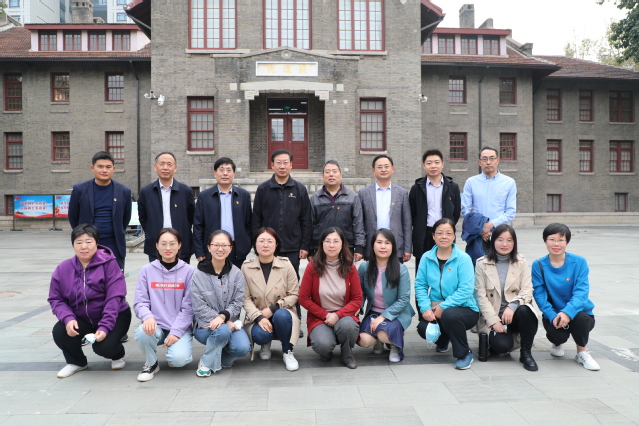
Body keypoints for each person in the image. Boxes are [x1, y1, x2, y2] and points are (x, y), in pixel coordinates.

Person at [48, 224, 131, 378]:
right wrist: (68, 318)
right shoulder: (63, 268)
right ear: (73, 244)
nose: (83, 246)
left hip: (115, 315)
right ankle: (77, 362)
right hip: (82, 317)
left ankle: (118, 354)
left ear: (96, 243)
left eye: (88, 241)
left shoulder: (110, 264)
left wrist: (105, 326)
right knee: (60, 332)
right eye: (78, 242)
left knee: (103, 348)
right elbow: (56, 298)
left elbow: (114, 297)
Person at [253, 149, 312, 336]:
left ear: (291, 165)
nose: (282, 166)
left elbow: (306, 220)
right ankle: (266, 323)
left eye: (286, 162)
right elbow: (256, 219)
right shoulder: (263, 189)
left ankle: (295, 323)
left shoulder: (299, 189)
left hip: (292, 247)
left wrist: (304, 246)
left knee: (292, 286)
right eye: (278, 162)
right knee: (266, 286)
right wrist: (258, 246)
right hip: (268, 249)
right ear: (272, 165)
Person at [532, 223, 600, 371]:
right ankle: (557, 343)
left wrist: (567, 313)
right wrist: (552, 316)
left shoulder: (579, 262)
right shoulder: (538, 265)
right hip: (554, 313)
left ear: (567, 242)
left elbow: (581, 292)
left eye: (561, 240)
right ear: (545, 241)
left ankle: (582, 352)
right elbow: (539, 295)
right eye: (552, 239)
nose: (556, 244)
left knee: (581, 318)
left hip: (579, 312)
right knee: (557, 336)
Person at [415, 218, 479, 370]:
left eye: (448, 233)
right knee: (423, 328)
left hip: (465, 309)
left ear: (454, 236)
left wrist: (443, 306)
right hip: (436, 308)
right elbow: (420, 285)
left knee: (450, 315)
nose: (444, 236)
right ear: (433, 236)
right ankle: (444, 340)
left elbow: (466, 290)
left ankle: (464, 353)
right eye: (440, 233)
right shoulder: (426, 257)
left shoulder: (463, 258)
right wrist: (425, 308)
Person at [133, 228, 195, 382]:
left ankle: (174, 350)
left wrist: (176, 332)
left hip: (180, 327)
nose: (168, 248)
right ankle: (151, 363)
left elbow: (189, 308)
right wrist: (147, 317)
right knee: (141, 332)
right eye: (163, 244)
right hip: (156, 326)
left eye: (172, 244)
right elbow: (140, 302)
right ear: (157, 245)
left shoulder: (189, 271)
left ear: (179, 245)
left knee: (179, 360)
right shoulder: (147, 270)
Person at [474, 224, 538, 371]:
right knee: (501, 347)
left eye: (509, 240)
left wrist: (512, 306)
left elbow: (527, 290)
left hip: (515, 313)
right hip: (495, 315)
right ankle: (497, 338)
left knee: (526, 310)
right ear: (493, 241)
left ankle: (526, 353)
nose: (505, 244)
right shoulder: (482, 263)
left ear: (514, 243)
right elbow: (480, 296)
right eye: (500, 240)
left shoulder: (521, 261)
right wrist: (493, 320)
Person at [299, 227, 362, 369]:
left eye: (335, 241)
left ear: (342, 244)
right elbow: (303, 298)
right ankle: (326, 351)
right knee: (323, 344)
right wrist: (326, 315)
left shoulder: (350, 267)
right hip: (319, 316)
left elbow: (357, 299)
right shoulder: (312, 267)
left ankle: (347, 353)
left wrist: (337, 315)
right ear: (322, 244)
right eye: (327, 241)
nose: (331, 245)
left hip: (344, 315)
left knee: (348, 326)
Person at [190, 230, 251, 376]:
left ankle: (219, 357)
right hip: (205, 326)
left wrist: (223, 317)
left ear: (230, 248)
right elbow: (199, 307)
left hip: (230, 323)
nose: (220, 249)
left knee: (242, 348)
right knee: (223, 330)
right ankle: (206, 362)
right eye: (216, 245)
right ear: (209, 247)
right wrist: (222, 321)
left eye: (224, 245)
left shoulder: (237, 273)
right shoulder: (198, 275)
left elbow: (238, 302)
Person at [242, 227, 300, 371]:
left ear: (276, 244)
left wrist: (274, 308)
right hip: (258, 315)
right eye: (261, 241)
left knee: (281, 316)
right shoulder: (247, 267)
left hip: (283, 311)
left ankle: (287, 351)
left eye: (270, 241)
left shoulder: (286, 265)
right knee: (261, 335)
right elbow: (245, 298)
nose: (265, 245)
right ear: (255, 244)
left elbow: (294, 294)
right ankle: (265, 344)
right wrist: (259, 317)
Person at [357, 229, 415, 362]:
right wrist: (356, 307)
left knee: (384, 334)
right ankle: (379, 340)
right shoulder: (364, 267)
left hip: (396, 313)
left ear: (392, 247)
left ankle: (394, 346)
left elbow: (403, 299)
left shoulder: (401, 269)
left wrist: (382, 317)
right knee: (363, 340)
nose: (383, 246)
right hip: (373, 312)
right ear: (373, 245)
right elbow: (361, 294)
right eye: (379, 242)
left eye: (387, 243)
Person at [68, 151, 132, 271]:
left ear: (113, 169)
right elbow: (73, 216)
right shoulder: (79, 189)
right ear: (92, 168)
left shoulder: (124, 191)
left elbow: (125, 218)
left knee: (114, 278)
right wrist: (83, 235)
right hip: (88, 243)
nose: (104, 170)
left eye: (108, 167)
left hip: (114, 244)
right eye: (100, 166)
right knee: (88, 278)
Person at [193, 157, 252, 269]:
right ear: (215, 173)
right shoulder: (204, 196)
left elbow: (248, 223)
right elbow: (198, 225)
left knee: (235, 278)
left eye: (229, 170)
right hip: (213, 249)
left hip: (236, 249)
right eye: (221, 170)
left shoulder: (243, 195)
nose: (225, 173)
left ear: (234, 173)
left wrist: (246, 245)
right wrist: (199, 250)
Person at [137, 152, 195, 264]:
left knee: (182, 275)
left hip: (181, 245)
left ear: (175, 168)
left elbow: (191, 217)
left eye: (169, 164)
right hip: (156, 245)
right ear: (155, 167)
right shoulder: (146, 192)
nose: (165, 167)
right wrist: (152, 232)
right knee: (157, 274)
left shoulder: (185, 191)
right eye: (162, 164)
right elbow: (143, 218)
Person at [409, 149, 461, 267]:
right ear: (423, 165)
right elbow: (412, 213)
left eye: (437, 162)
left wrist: (447, 228)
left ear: (442, 164)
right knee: (424, 268)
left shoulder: (452, 187)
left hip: (445, 235)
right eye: (429, 163)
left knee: (447, 267)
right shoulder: (417, 188)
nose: (433, 166)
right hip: (424, 235)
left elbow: (456, 212)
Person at [461, 146, 517, 254]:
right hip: (477, 235)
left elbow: (510, 212)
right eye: (484, 159)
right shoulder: (471, 182)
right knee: (477, 263)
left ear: (497, 160)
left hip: (501, 234)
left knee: (501, 263)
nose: (488, 162)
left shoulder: (509, 182)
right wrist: (480, 229)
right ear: (479, 162)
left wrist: (490, 225)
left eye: (492, 158)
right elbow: (465, 210)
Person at [359, 155, 412, 263]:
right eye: (379, 167)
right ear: (373, 170)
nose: (383, 169)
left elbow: (407, 223)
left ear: (392, 169)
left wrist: (407, 248)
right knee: (371, 273)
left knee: (395, 273)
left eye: (386, 166)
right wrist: (360, 247)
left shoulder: (402, 193)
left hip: (395, 244)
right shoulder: (363, 193)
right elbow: (360, 222)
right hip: (371, 244)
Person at [310, 160, 365, 260]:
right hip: (321, 247)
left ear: (340, 175)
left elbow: (358, 223)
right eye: (327, 172)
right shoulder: (315, 198)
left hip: (346, 247)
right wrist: (310, 249)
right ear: (323, 176)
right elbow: (310, 225)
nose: (331, 174)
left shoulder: (352, 197)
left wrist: (359, 247)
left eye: (334, 171)